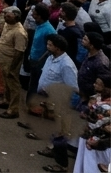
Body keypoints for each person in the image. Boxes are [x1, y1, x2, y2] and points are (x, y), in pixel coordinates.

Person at [37, 35, 81, 163]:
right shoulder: (51, 57)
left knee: (59, 128)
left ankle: (55, 152)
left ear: (58, 48)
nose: (47, 46)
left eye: (50, 45)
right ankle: (51, 146)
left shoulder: (67, 65)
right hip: (47, 98)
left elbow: (72, 87)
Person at [0, 7, 29, 120]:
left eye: (8, 16)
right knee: (6, 82)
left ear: (16, 17)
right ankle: (6, 100)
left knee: (13, 85)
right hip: (3, 59)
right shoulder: (7, 24)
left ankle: (13, 110)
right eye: (5, 15)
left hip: (11, 62)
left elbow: (19, 52)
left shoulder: (19, 32)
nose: (5, 17)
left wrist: (12, 67)